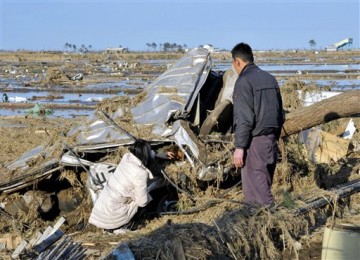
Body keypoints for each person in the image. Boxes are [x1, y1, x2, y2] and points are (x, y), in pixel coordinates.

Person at [231, 43, 284, 207]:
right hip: (270, 143)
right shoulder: (270, 78)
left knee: (258, 197)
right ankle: (265, 229)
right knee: (263, 186)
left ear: (238, 62)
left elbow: (244, 119)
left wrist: (239, 148)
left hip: (254, 145)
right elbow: (279, 113)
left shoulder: (243, 82)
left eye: (233, 64)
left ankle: (276, 226)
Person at [89, 139, 171, 233]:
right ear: (145, 155)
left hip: (102, 210)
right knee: (147, 199)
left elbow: (143, 154)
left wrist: (158, 154)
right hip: (114, 217)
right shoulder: (140, 173)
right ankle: (132, 224)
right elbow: (142, 202)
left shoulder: (126, 158)